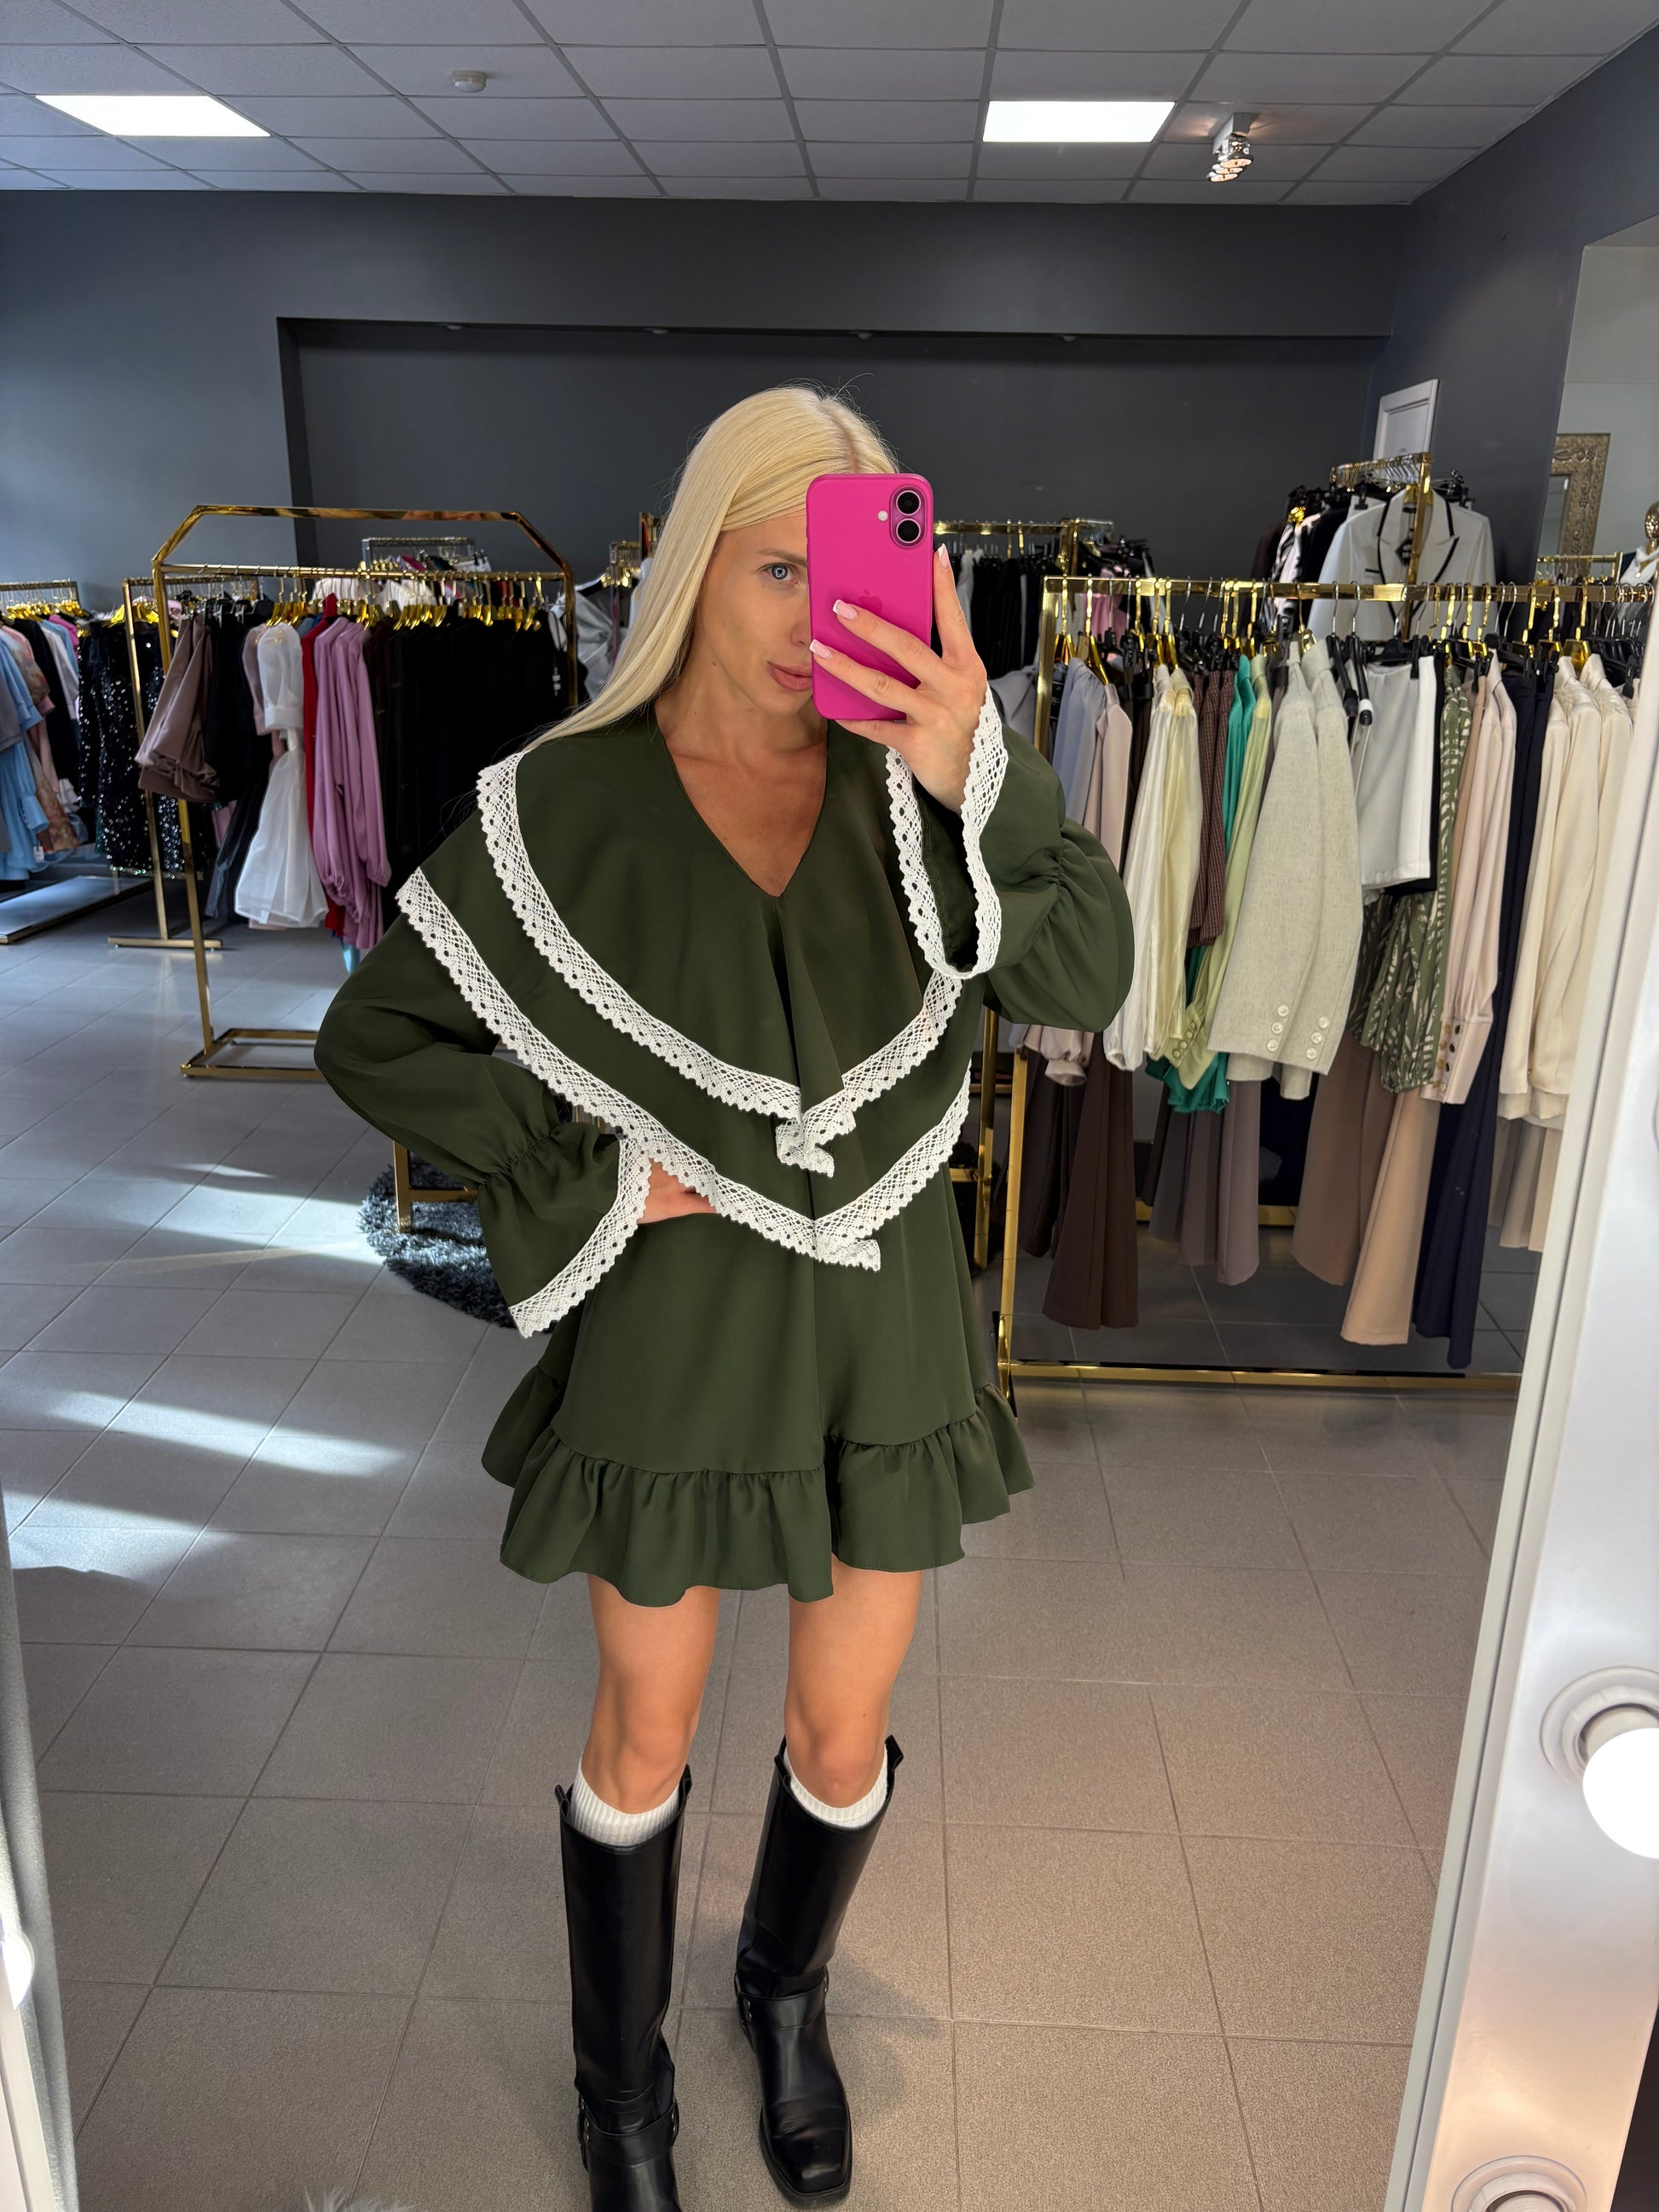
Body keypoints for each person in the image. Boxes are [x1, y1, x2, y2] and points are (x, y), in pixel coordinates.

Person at [315, 385, 1131, 2211]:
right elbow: (377, 1035)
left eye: (843, 571)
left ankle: (782, 1992)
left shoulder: (921, 786)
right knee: (645, 1725)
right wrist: (596, 1168)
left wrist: (974, 766)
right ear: (695, 567)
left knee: (841, 1729)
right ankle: (620, 2092)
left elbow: (1084, 972)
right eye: (776, 569)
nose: (813, 616)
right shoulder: (563, 803)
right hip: (675, 1321)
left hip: (884, 1311)